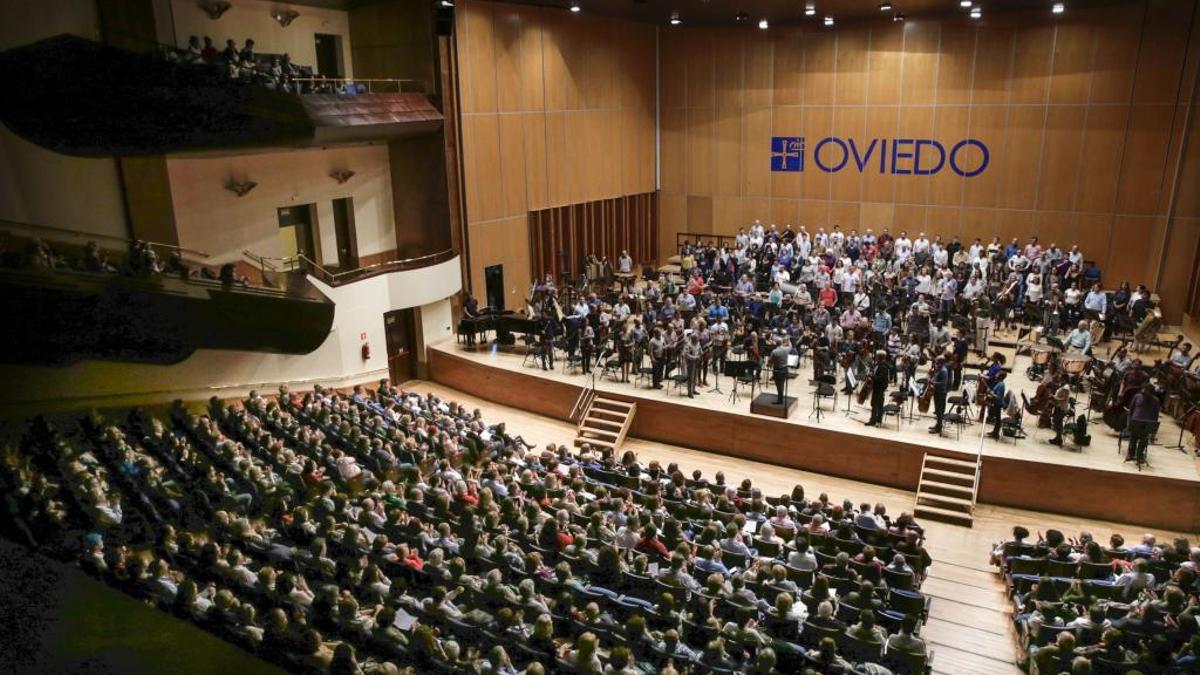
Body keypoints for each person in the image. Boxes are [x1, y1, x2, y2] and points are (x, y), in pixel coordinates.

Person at [1125, 384, 1160, 466]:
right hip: (1135, 421)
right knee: (1133, 438)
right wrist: (1129, 421)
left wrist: (1153, 430)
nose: (1144, 392)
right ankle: (1131, 454)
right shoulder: (1137, 396)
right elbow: (1131, 409)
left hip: (1147, 424)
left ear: (1151, 393)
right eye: (1144, 390)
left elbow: (1156, 415)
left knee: (1144, 439)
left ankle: (1140, 455)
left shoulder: (1156, 401)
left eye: (1147, 391)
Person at [864, 350, 890, 427]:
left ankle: (874, 420)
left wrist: (871, 376)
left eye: (877, 356)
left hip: (879, 387)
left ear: (880, 357)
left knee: (876, 404)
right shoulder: (879, 364)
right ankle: (877, 420)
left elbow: (880, 378)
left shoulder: (883, 367)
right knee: (878, 404)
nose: (876, 357)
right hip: (877, 387)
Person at [928, 356, 949, 435]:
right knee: (937, 410)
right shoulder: (939, 369)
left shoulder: (944, 371)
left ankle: (938, 428)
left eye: (937, 362)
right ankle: (937, 425)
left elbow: (943, 383)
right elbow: (936, 377)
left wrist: (933, 383)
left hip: (941, 393)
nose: (935, 364)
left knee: (939, 411)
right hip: (936, 391)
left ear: (941, 363)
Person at [1049, 376, 1071, 446]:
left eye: (1061, 378)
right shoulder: (1063, 385)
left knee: (1058, 423)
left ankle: (1059, 439)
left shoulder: (1066, 388)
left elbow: (1063, 399)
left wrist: (1054, 397)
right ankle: (1058, 438)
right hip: (1058, 407)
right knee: (1057, 423)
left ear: (1064, 379)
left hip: (1061, 408)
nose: (1059, 378)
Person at [769, 339, 792, 405]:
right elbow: (791, 346)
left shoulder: (774, 351)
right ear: (781, 343)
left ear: (776, 344)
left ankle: (780, 399)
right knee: (782, 384)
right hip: (785, 369)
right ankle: (780, 398)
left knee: (778, 385)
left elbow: (771, 361)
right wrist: (788, 340)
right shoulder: (786, 349)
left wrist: (769, 364)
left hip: (777, 370)